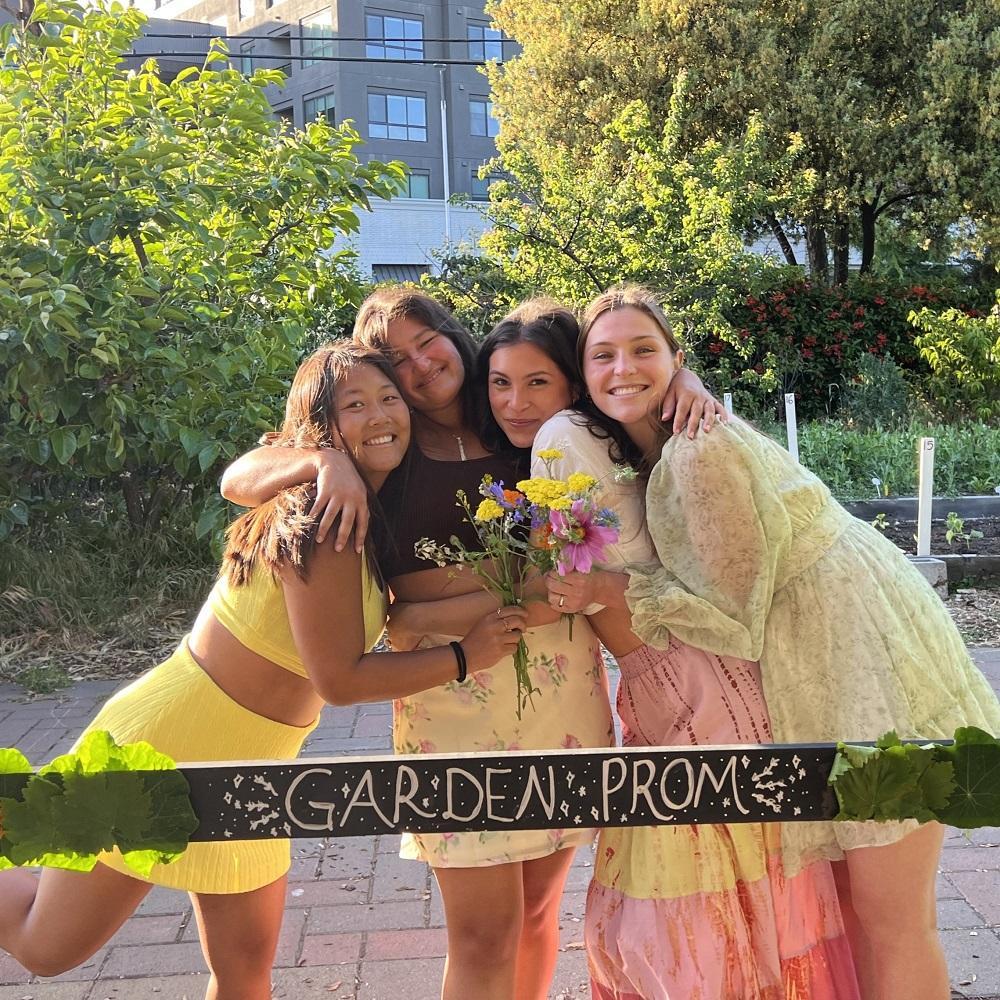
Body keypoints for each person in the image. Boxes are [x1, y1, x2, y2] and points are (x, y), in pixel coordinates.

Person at [220, 287, 724, 1000]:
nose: (421, 365)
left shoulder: (519, 419)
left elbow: (617, 371)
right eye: (397, 360)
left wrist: (689, 378)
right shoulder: (382, 444)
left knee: (538, 912)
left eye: (430, 340)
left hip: (560, 688)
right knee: (484, 936)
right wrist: (322, 464)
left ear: (458, 337)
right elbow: (238, 477)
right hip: (449, 697)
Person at [0, 342, 527, 1000]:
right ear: (320, 426)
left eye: (390, 398)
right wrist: (461, 658)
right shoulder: (315, 514)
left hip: (253, 770)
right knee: (45, 946)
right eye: (354, 405)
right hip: (165, 750)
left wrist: (532, 588)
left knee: (245, 971)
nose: (380, 414)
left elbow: (399, 611)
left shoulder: (365, 510)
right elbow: (341, 681)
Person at [560, 284, 1000, 1000]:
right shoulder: (671, 442)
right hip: (840, 670)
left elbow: (733, 617)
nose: (622, 368)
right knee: (863, 914)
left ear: (677, 358)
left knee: (893, 922)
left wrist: (617, 593)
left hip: (869, 675)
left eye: (644, 350)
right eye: (603, 355)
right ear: (584, 377)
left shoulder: (696, 452)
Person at [474, 298, 857, 999]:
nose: (518, 402)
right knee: (746, 901)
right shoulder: (615, 437)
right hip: (700, 678)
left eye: (538, 381)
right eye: (501, 382)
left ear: (571, 381)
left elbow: (565, 579)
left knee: (682, 917)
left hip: (683, 684)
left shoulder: (562, 437)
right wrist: (683, 382)